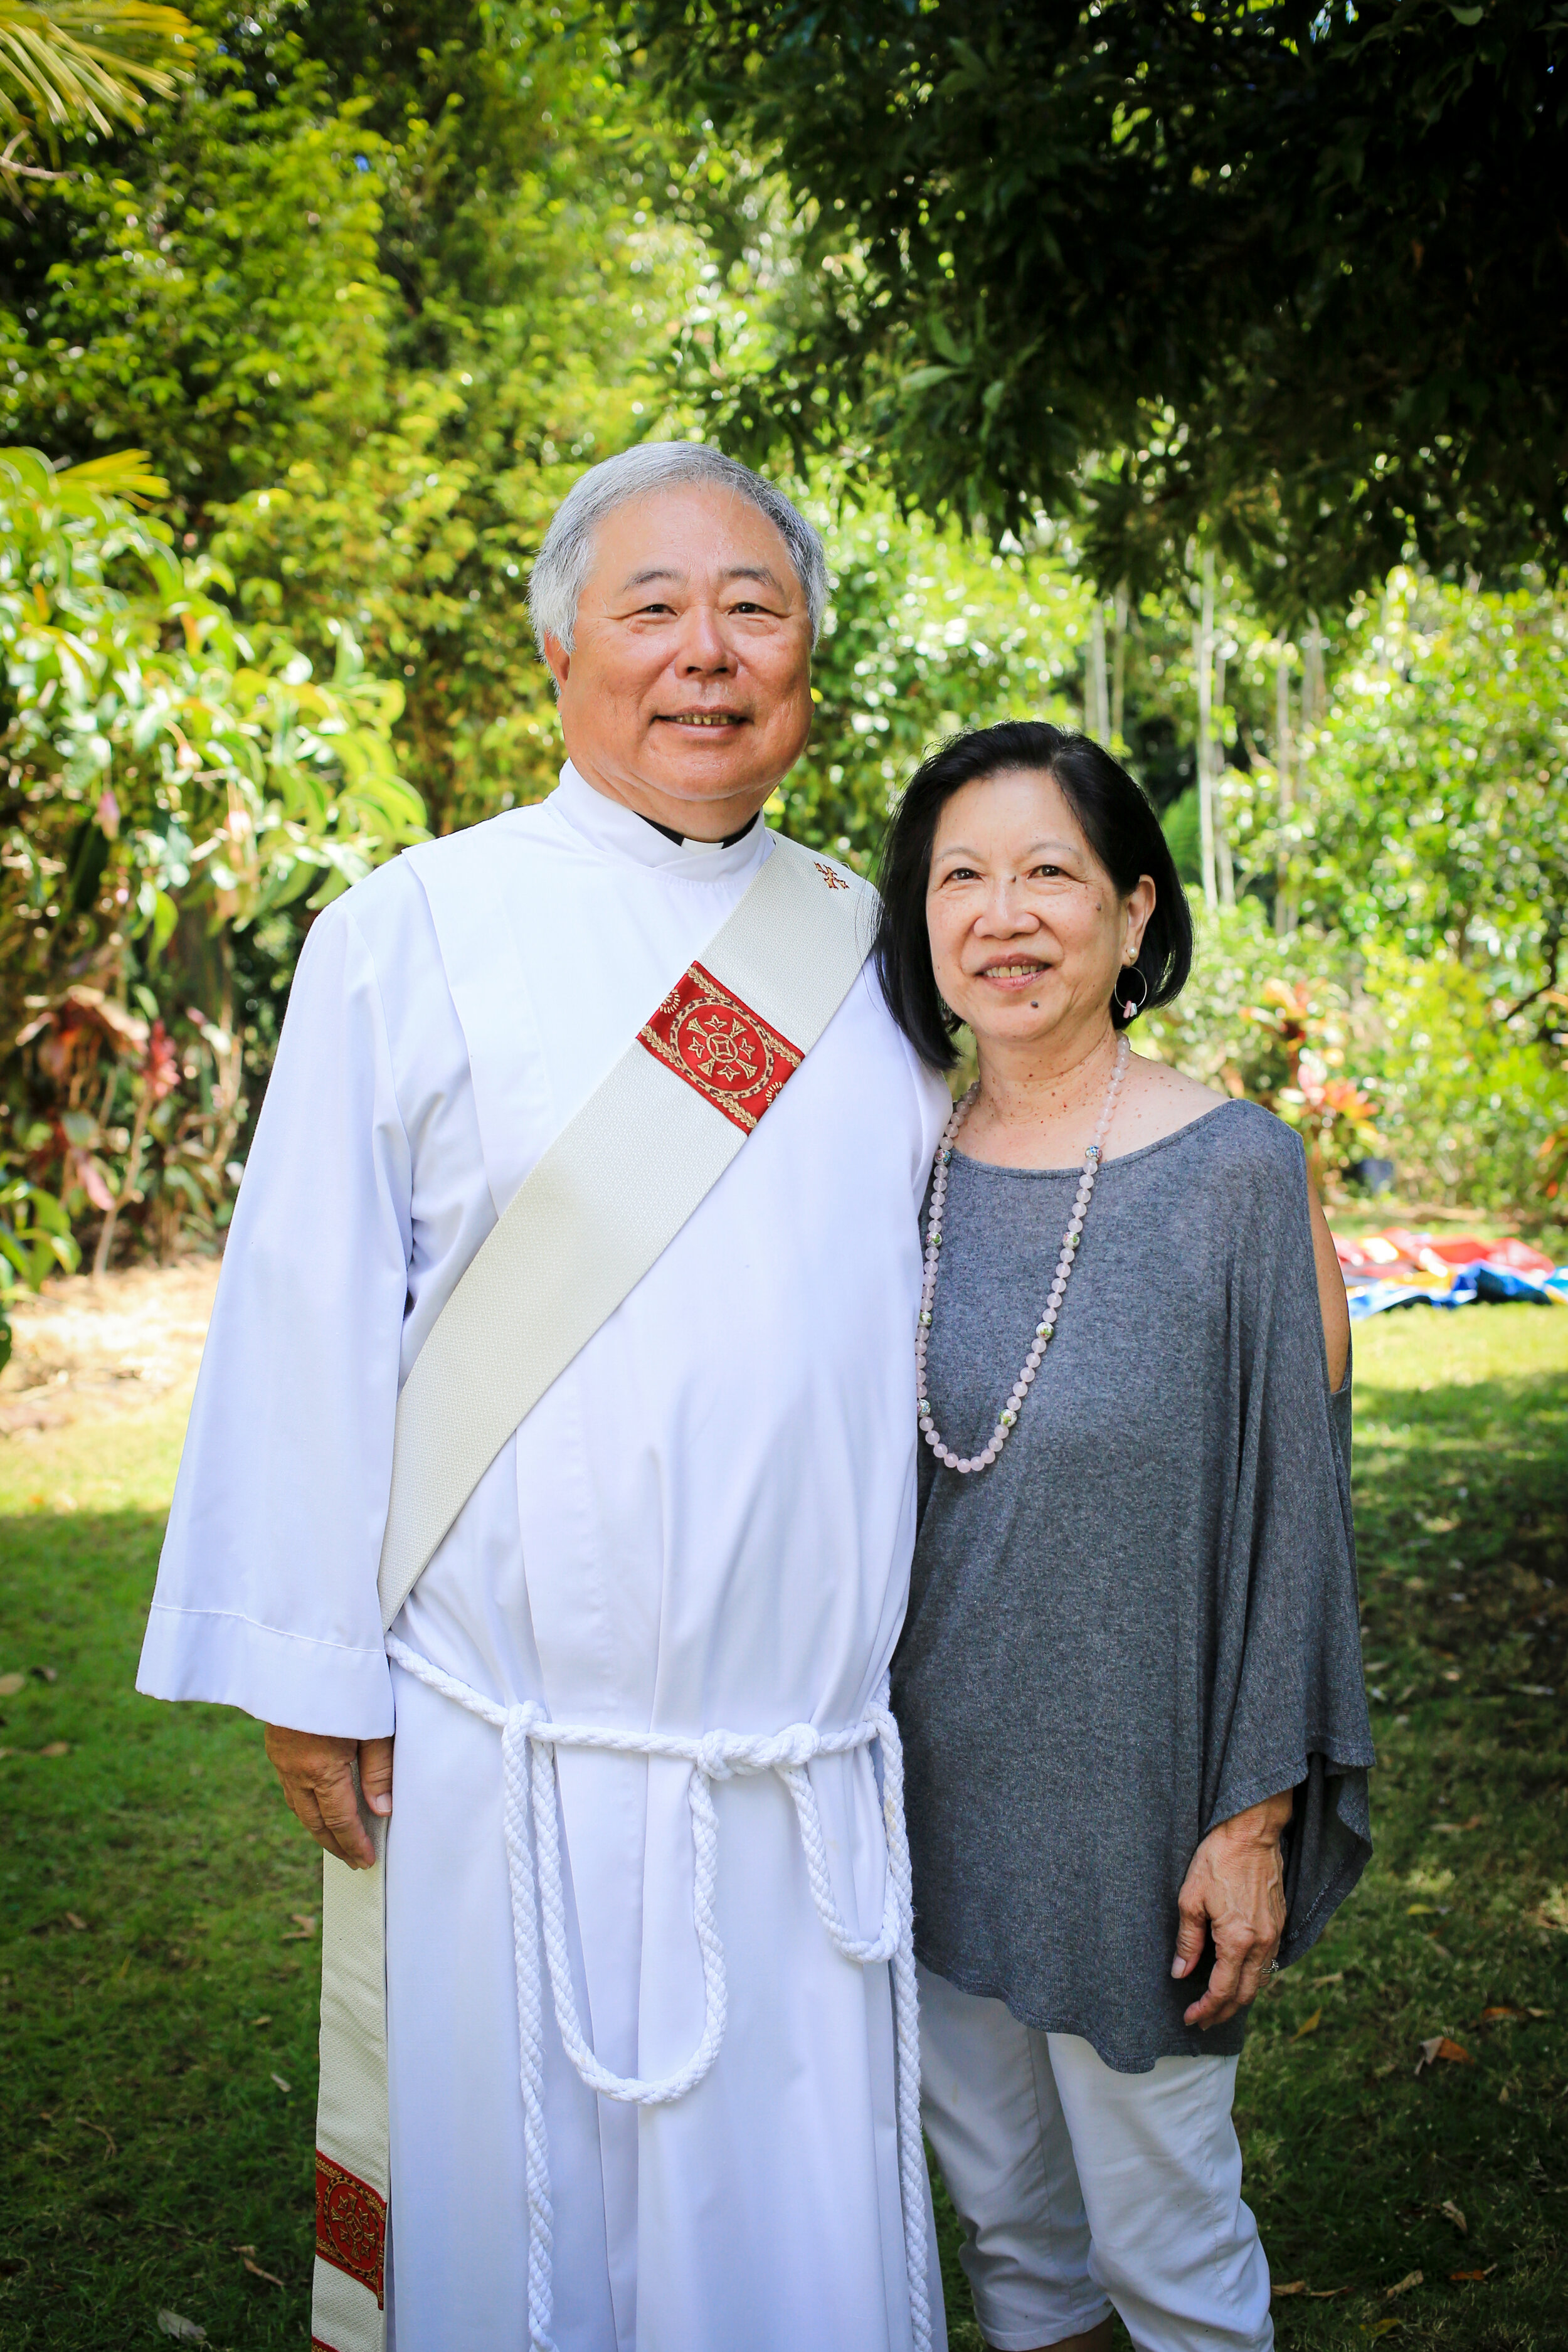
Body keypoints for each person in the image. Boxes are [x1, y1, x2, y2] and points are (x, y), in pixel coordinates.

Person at [137, 443, 951, 2352]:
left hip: (800, 1769)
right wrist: (304, 1676)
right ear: (561, 656)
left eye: (754, 609)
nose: (705, 654)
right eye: (651, 609)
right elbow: (306, 1317)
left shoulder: (880, 950)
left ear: (809, 665)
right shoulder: (411, 931)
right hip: (501, 1758)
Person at [876, 721, 1374, 2352]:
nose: (1002, 917)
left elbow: (1293, 1521)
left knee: (1167, 2249)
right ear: (921, 920)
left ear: (1135, 913)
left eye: (1048, 875)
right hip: (913, 1798)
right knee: (1012, 2245)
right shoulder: (885, 1165)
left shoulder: (1233, 1173)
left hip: (1135, 1809)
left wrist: (1250, 1818)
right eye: (962, 877)